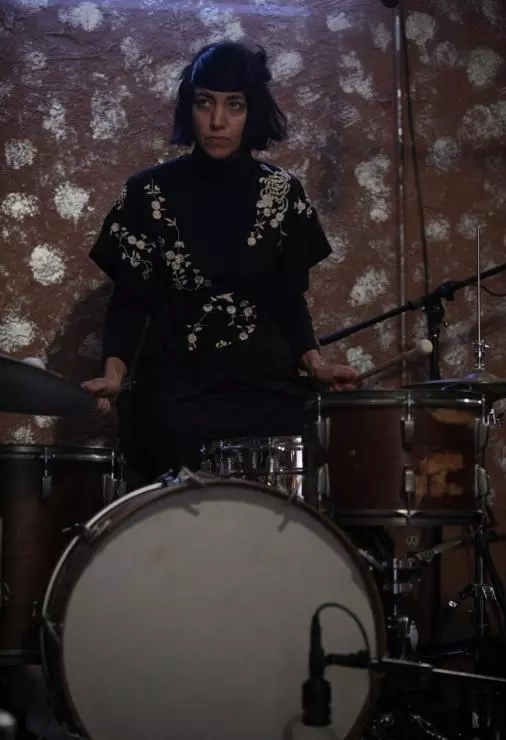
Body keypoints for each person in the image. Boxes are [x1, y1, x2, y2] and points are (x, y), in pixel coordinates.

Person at [83, 41, 357, 486]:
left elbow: (289, 299)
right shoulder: (147, 193)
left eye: (234, 105)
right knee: (168, 468)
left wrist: (316, 365)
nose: (217, 121)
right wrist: (113, 374)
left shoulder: (282, 193)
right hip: (176, 392)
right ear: (188, 108)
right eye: (204, 102)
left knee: (294, 479)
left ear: (252, 113)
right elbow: (131, 299)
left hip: (266, 389)